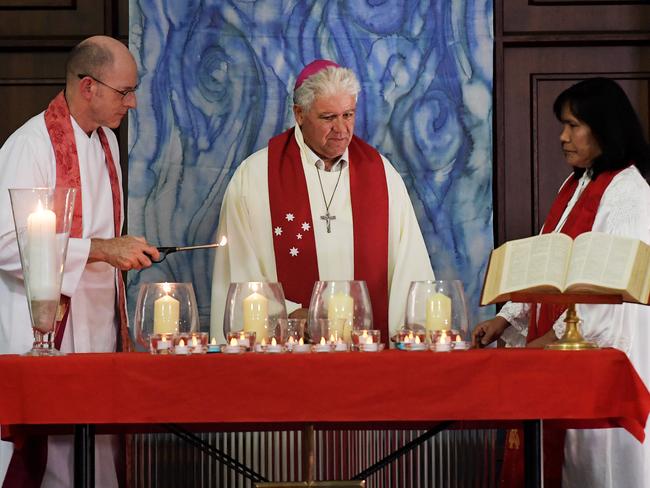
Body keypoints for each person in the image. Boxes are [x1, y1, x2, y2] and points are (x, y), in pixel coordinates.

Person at [472, 77, 650, 487]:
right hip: (567, 357)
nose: (562, 136)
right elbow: (552, 264)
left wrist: (546, 345)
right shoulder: (576, 183)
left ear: (603, 127)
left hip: (602, 360)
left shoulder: (628, 193)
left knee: (595, 469)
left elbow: (606, 287)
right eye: (563, 125)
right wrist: (507, 318)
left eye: (573, 125)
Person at [0, 36, 160, 487]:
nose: (132, 103)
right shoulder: (30, 146)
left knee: (97, 461)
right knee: (53, 464)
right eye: (123, 92)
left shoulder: (106, 143)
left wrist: (121, 252)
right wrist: (103, 249)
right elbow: (5, 242)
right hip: (47, 331)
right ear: (88, 86)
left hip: (97, 330)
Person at [210, 60, 434, 343]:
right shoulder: (254, 179)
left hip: (365, 359)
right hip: (287, 358)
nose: (341, 129)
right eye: (328, 118)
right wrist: (289, 314)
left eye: (348, 115)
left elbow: (410, 269)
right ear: (299, 114)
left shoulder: (382, 176)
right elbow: (239, 274)